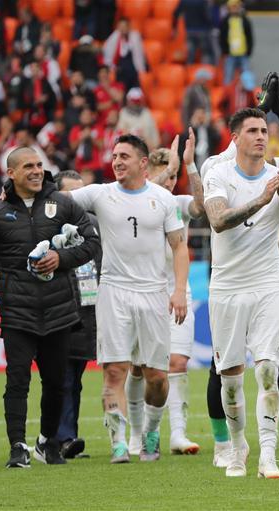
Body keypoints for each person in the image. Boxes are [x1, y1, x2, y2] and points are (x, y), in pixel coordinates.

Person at [200, 74, 279, 471]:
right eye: (252, 130)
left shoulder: (278, 170)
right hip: (227, 286)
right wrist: (263, 197)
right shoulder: (217, 170)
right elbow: (219, 221)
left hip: (270, 283)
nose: (261, 135)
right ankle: (237, 447)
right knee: (231, 379)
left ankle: (270, 456)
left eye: (264, 129)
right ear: (234, 138)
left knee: (270, 369)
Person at [0, 147, 100, 468]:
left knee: (57, 382)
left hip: (59, 309)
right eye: (27, 166)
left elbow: (92, 242)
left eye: (39, 165)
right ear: (11, 173)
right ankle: (18, 446)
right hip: (17, 311)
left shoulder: (62, 203)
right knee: (17, 380)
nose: (35, 170)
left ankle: (47, 442)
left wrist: (62, 258)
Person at [67, 134, 189, 464]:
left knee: (156, 377)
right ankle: (118, 442)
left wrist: (178, 291)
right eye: (114, 156)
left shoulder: (162, 199)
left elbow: (179, 246)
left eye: (124, 156)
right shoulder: (100, 194)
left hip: (153, 293)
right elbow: (59, 198)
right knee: (115, 371)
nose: (117, 161)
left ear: (142, 163)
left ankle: (151, 432)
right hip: (114, 291)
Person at [122, 133, 205, 457]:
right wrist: (168, 168)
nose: (171, 182)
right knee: (140, 367)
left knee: (177, 361)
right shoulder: (133, 206)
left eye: (173, 177)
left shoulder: (178, 204)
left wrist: (188, 165)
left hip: (176, 294)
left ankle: (177, 434)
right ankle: (136, 433)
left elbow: (200, 205)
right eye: (166, 175)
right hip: (140, 295)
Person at [53, 170, 101, 460]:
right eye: (71, 193)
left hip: (88, 310)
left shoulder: (93, 224)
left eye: (81, 193)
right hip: (58, 308)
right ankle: (61, 436)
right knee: (63, 377)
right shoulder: (49, 227)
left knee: (75, 377)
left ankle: (62, 436)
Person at [102, 19, 147, 92]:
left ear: (128, 27)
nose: (123, 29)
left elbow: (139, 55)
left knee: (134, 92)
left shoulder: (135, 37)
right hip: (120, 71)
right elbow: (108, 52)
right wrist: (111, 67)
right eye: (120, 27)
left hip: (133, 70)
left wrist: (141, 70)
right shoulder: (114, 37)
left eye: (124, 26)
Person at [219, 0, 254, 81]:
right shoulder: (225, 21)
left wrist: (249, 51)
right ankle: (228, 93)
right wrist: (225, 51)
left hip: (243, 53)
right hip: (230, 54)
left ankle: (247, 93)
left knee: (246, 77)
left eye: (236, 7)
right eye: (233, 7)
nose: (235, 9)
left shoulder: (245, 20)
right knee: (228, 76)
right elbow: (222, 37)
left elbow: (249, 36)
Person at [175, 0, 215, 65]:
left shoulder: (184, 1)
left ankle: (189, 70)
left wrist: (175, 26)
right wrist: (210, 26)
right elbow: (206, 15)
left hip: (190, 30)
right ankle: (207, 71)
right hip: (202, 30)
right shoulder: (202, 1)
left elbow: (176, 13)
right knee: (206, 53)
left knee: (190, 54)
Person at [182, 69, 213, 134]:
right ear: (200, 79)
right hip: (194, 123)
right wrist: (187, 125)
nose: (206, 81)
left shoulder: (205, 90)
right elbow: (185, 108)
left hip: (205, 123)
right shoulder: (191, 90)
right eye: (205, 79)